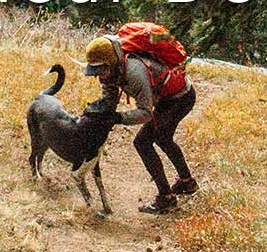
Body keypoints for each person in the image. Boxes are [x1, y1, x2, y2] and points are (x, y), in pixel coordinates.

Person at [83, 33, 198, 214]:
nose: (99, 77)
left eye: (100, 71)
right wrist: (97, 115)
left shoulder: (134, 72)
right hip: (169, 98)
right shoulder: (111, 73)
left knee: (143, 142)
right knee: (163, 138)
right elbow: (109, 100)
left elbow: (145, 113)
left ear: (111, 63)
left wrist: (119, 118)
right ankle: (187, 182)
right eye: (94, 72)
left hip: (180, 98)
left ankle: (166, 198)